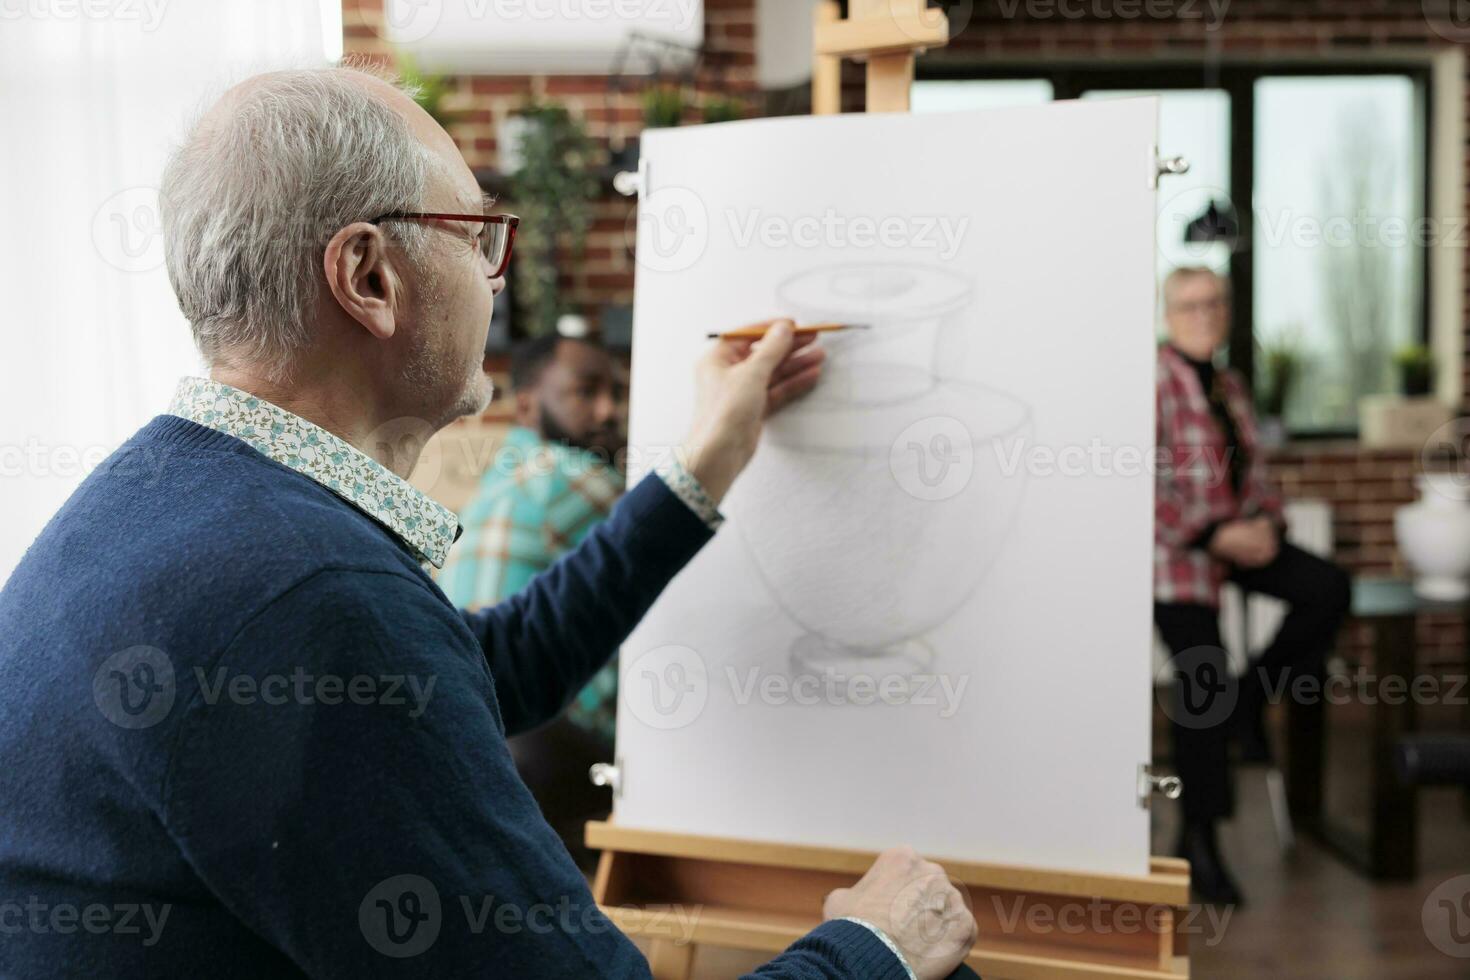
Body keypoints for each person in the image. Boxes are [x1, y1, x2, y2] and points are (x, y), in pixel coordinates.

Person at [0, 65, 976, 979]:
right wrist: (873, 945)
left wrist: (707, 458)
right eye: (475, 235)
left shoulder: (163, 498)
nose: (496, 274)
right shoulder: (309, 597)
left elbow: (493, 665)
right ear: (370, 278)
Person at [1154, 266, 1351, 907]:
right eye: (1189, 304)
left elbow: (1257, 475)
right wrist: (1213, 535)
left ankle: (1249, 698)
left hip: (1241, 540)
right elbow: (1139, 481)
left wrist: (1266, 523)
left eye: (1214, 303)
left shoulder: (1231, 385)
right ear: (1169, 311)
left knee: (1327, 588)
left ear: (1227, 310)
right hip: (1181, 557)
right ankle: (1200, 840)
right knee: (1202, 683)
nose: (1203, 313)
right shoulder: (1153, 381)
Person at [438, 333, 628, 870]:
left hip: (471, 742)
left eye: (615, 393)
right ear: (526, 404)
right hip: (551, 748)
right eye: (585, 393)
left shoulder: (499, 479)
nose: (609, 411)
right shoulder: (577, 478)